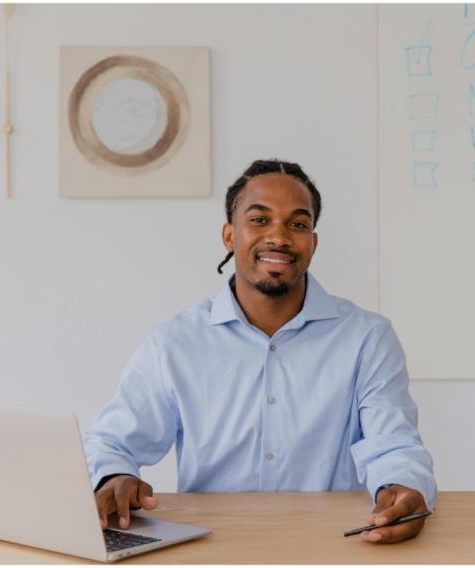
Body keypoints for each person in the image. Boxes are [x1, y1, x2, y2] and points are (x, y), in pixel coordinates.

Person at [84, 159, 437, 545]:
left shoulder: (367, 337)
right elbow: (110, 442)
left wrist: (403, 487)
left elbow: (393, 443)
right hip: (211, 548)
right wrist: (113, 476)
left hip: (332, 545)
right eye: (259, 220)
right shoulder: (176, 341)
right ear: (229, 236)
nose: (279, 237)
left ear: (313, 243)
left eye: (298, 224)